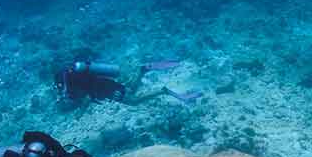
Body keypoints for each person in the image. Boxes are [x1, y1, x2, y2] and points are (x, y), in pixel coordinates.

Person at [54, 60, 202, 104]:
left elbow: (79, 95)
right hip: (105, 86)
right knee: (132, 91)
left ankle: (166, 91)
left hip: (106, 88)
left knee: (134, 101)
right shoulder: (72, 78)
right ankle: (143, 69)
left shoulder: (69, 85)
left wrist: (66, 96)